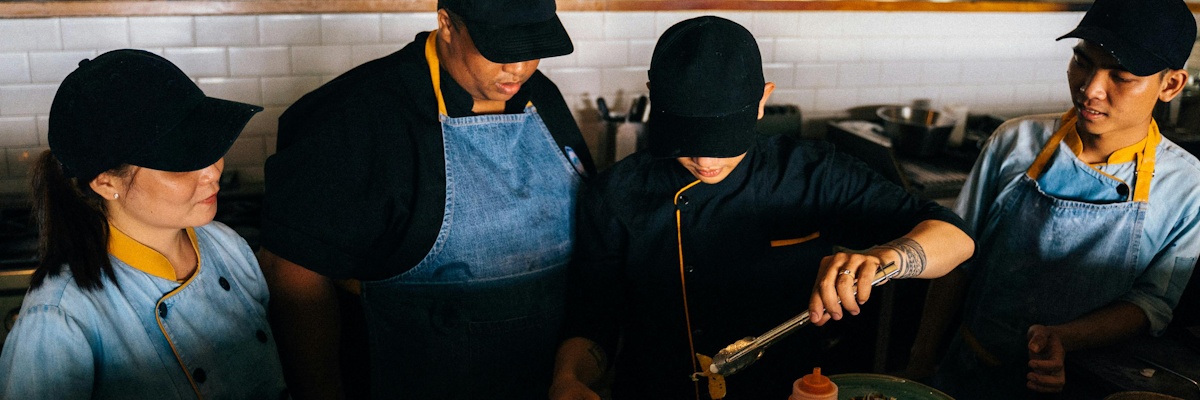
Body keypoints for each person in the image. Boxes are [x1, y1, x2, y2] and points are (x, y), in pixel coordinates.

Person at [549, 16, 975, 400]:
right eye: (686, 139)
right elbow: (593, 320)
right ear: (652, 100)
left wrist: (887, 257)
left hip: (793, 392)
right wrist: (570, 380)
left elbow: (955, 237)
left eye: (723, 141)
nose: (706, 161)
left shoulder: (812, 173)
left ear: (762, 101)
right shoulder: (615, 193)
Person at [257, 0, 594, 398]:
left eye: (533, 47)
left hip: (547, 380)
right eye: (500, 49)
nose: (519, 68)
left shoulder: (542, 97)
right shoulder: (357, 113)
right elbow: (293, 270)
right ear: (448, 24)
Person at [906, 0, 1200, 398]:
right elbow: (957, 257)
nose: (1090, 88)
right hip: (970, 370)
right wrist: (920, 361)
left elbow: (1152, 303)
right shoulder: (1014, 143)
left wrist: (1064, 338)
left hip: (1083, 383)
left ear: (1171, 85)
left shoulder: (1186, 184)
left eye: (1121, 75)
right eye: (1082, 60)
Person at [0, 49, 287, 399]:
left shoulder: (228, 246)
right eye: (181, 164)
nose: (213, 172)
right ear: (107, 182)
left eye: (209, 148)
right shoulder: (58, 319)